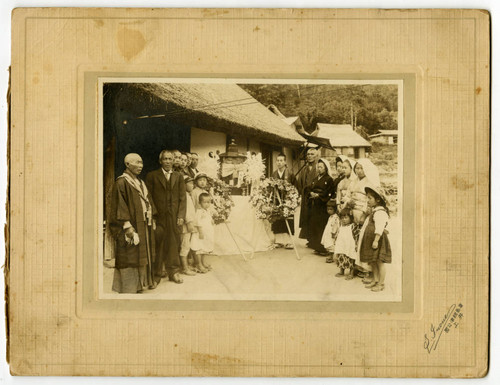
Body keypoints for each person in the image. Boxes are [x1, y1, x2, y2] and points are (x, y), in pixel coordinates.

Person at [109, 153, 157, 293]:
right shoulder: (122, 182)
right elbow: (120, 205)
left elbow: (148, 201)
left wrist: (151, 217)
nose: (141, 166)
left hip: (143, 223)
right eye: (137, 162)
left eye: (141, 163)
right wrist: (127, 226)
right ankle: (128, 287)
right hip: (130, 225)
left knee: (142, 254)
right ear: (128, 164)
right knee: (129, 255)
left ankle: (140, 285)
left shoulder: (140, 182)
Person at [145, 150, 186, 284]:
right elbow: (148, 197)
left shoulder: (178, 176)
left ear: (173, 161)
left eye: (170, 159)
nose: (168, 161)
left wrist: (180, 215)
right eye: (165, 159)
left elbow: (182, 198)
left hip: (173, 216)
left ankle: (173, 272)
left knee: (174, 244)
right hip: (158, 216)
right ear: (160, 161)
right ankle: (156, 275)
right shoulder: (152, 176)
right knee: (159, 244)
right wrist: (154, 214)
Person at [359, 186, 392, 292]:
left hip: (377, 241)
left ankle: (381, 283)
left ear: (377, 200)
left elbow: (380, 227)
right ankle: (376, 280)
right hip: (372, 240)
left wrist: (376, 240)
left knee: (379, 262)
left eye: (370, 198)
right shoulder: (374, 210)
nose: (367, 200)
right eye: (367, 198)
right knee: (373, 262)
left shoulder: (380, 212)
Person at [304, 158, 334, 255]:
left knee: (322, 225)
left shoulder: (329, 179)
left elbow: (329, 192)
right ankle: (316, 246)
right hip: (315, 204)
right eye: (318, 167)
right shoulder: (316, 179)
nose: (319, 169)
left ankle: (323, 248)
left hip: (322, 205)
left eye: (321, 167)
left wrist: (319, 195)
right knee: (315, 225)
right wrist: (311, 193)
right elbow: (309, 188)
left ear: (326, 168)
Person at [271, 153, 296, 249]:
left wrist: (292, 198)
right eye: (278, 160)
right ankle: (278, 241)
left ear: (285, 162)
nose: (279, 162)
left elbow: (295, 187)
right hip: (277, 199)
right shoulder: (274, 174)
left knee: (288, 218)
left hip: (288, 200)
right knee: (277, 218)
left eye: (281, 160)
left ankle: (289, 241)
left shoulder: (290, 174)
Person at [296, 147, 319, 242]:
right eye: (308, 154)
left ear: (316, 156)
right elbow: (300, 182)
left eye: (312, 154)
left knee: (314, 217)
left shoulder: (318, 167)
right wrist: (301, 192)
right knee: (306, 216)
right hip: (306, 196)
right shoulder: (304, 168)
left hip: (315, 196)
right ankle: (309, 239)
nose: (309, 156)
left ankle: (314, 239)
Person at [191, 193, 215, 273]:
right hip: (200, 233)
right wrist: (200, 232)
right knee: (199, 248)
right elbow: (197, 222)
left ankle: (203, 262)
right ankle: (198, 264)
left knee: (204, 248)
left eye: (209, 202)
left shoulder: (207, 211)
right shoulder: (199, 211)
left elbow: (209, 218)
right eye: (205, 202)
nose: (207, 204)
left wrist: (212, 221)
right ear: (200, 203)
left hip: (206, 233)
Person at [179, 175, 197, 276]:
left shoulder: (188, 195)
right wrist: (189, 222)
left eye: (192, 183)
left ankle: (185, 266)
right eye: (189, 183)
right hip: (186, 225)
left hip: (189, 224)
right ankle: (184, 268)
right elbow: (186, 211)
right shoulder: (184, 196)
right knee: (185, 246)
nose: (192, 185)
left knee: (186, 246)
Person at [334, 208, 358, 280]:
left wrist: (356, 244)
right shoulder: (341, 226)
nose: (344, 220)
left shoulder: (352, 226)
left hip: (350, 246)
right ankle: (342, 271)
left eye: (346, 218)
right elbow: (338, 235)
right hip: (342, 246)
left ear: (350, 218)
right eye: (342, 218)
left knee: (351, 259)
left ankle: (351, 273)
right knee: (341, 258)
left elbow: (356, 236)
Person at [321, 199, 340, 263]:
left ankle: (331, 256)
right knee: (328, 243)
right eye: (328, 209)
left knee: (331, 244)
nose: (329, 211)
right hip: (328, 232)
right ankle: (329, 255)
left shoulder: (335, 217)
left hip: (332, 233)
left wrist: (333, 232)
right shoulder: (330, 217)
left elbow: (335, 226)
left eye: (331, 209)